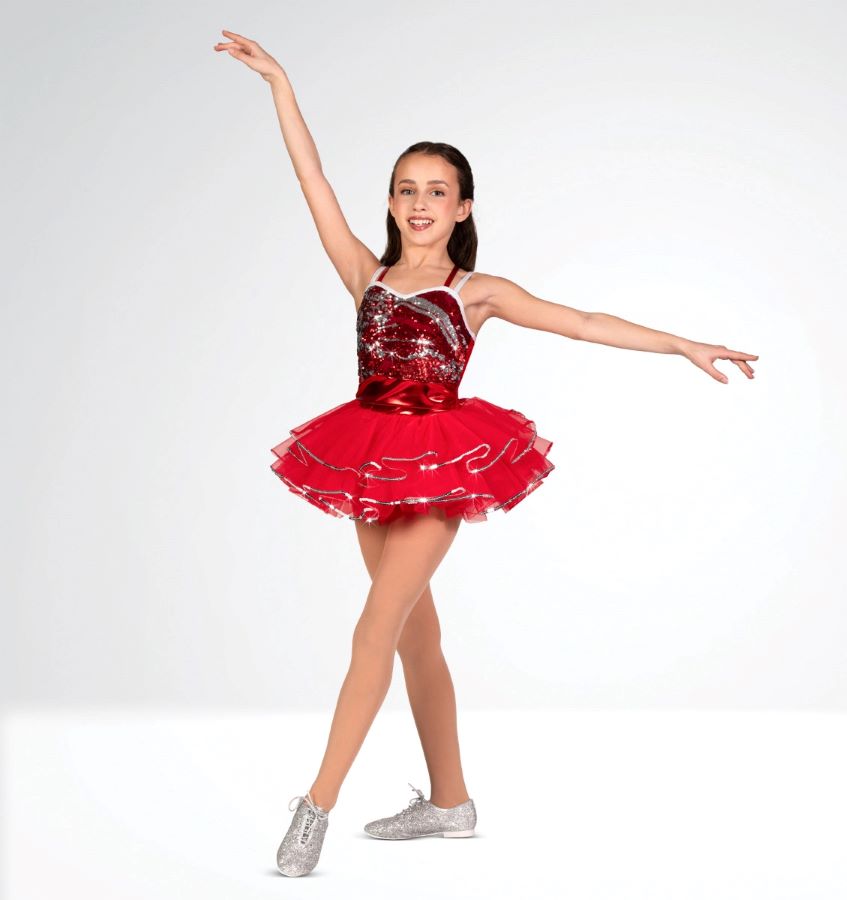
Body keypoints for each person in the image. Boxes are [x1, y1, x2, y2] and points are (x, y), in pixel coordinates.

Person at [213, 29, 759, 878]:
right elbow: (311, 177)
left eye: (437, 191)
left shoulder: (476, 292)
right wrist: (279, 82)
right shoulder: (362, 273)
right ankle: (450, 801)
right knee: (414, 637)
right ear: (390, 202)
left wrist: (682, 343)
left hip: (442, 460)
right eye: (406, 189)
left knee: (374, 627)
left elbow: (583, 322)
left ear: (463, 208)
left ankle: (315, 805)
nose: (420, 201)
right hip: (367, 455)